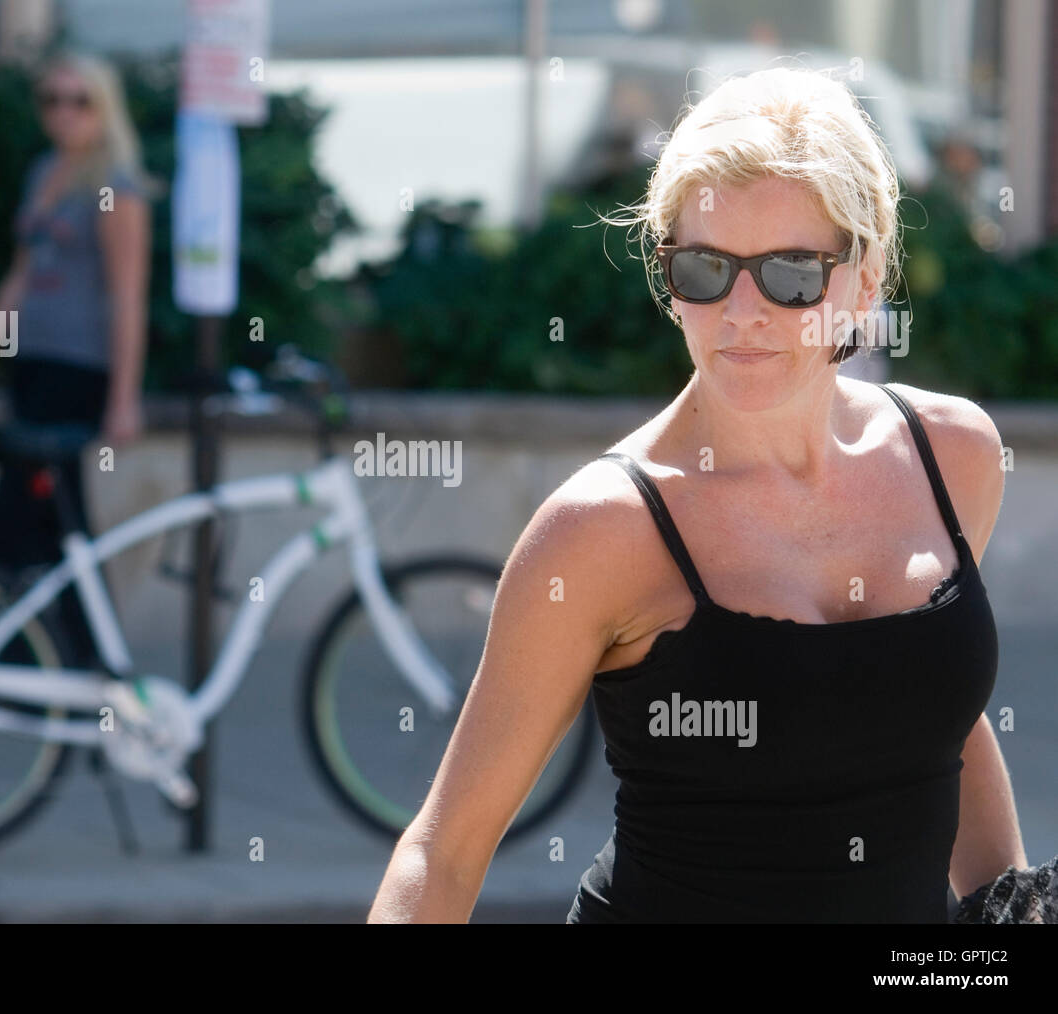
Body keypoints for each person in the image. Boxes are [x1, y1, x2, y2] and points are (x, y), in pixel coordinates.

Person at [367, 66, 1027, 923]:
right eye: (707, 269)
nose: (743, 311)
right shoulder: (600, 531)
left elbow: (933, 712)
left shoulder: (955, 455)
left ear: (864, 281)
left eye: (791, 274)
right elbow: (441, 852)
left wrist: (1009, 911)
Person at [0, 50, 152, 665]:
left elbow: (127, 293)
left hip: (79, 368)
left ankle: (46, 659)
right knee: (54, 523)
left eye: (80, 100)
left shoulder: (117, 186)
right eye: (52, 99)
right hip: (32, 363)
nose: (64, 113)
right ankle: (64, 660)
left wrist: (124, 399)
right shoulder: (43, 174)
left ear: (103, 107)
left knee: (26, 515)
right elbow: (19, 279)